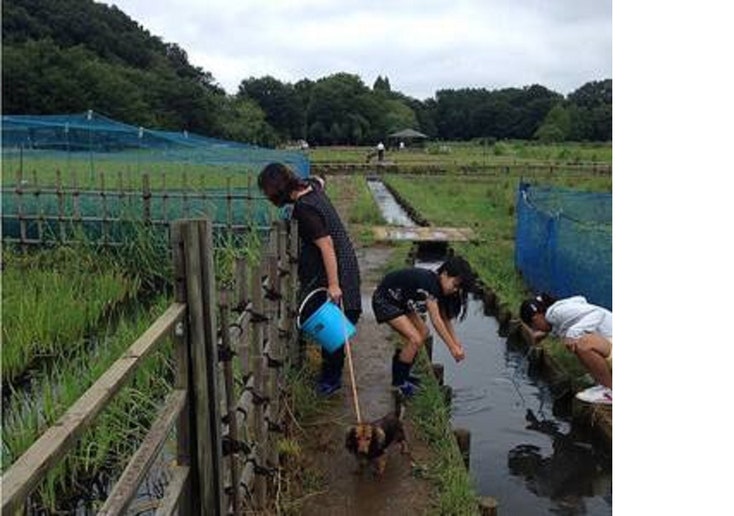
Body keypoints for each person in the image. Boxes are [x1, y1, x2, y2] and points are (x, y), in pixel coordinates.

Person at [258, 162, 361, 396]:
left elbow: (326, 245)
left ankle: (331, 380)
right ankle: (330, 375)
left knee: (331, 327)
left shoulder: (304, 210)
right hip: (344, 262)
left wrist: (334, 285)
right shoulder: (312, 188)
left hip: (337, 268)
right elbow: (319, 180)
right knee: (330, 324)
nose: (267, 196)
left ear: (276, 188)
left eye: (267, 191)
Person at [372, 256, 476, 396]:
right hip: (385, 300)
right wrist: (452, 348)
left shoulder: (441, 289)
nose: (456, 290)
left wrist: (456, 342)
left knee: (423, 332)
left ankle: (403, 372)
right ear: (444, 274)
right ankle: (399, 384)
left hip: (402, 302)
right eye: (455, 284)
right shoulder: (431, 285)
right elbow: (436, 320)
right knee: (415, 339)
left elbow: (445, 319)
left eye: (459, 287)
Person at [520, 294, 612, 405]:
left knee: (582, 343)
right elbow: (579, 304)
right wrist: (547, 333)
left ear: (536, 318)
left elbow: (597, 313)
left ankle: (609, 391)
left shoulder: (557, 312)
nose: (536, 329)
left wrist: (572, 333)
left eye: (534, 326)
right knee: (576, 340)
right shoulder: (557, 312)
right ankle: (601, 380)